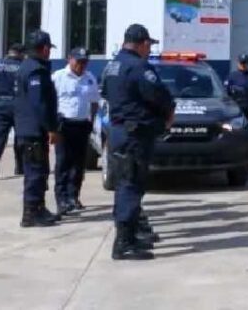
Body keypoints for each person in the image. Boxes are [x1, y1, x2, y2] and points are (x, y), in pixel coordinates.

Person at [102, 24, 175, 261]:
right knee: (131, 185)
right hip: (134, 135)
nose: (148, 50)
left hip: (119, 132)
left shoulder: (112, 65)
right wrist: (167, 114)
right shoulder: (138, 66)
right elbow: (160, 95)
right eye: (148, 45)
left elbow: (107, 93)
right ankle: (123, 243)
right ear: (142, 43)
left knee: (125, 183)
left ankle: (130, 235)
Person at [13, 31, 60, 228]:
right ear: (44, 48)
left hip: (27, 129)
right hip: (33, 130)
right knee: (35, 172)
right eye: (48, 48)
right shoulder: (36, 71)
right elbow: (40, 103)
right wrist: (50, 127)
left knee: (39, 170)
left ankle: (38, 208)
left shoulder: (26, 66)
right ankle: (31, 213)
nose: (49, 52)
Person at [52, 48, 100, 215]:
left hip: (82, 125)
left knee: (79, 164)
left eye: (84, 62)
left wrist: (91, 121)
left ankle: (74, 196)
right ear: (69, 59)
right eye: (78, 61)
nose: (81, 65)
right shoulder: (58, 77)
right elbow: (50, 102)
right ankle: (61, 199)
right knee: (63, 162)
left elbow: (94, 102)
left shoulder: (89, 78)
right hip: (63, 126)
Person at [0, 43, 25, 179]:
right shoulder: (23, 67)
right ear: (20, 54)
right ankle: (20, 166)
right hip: (18, 104)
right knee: (20, 136)